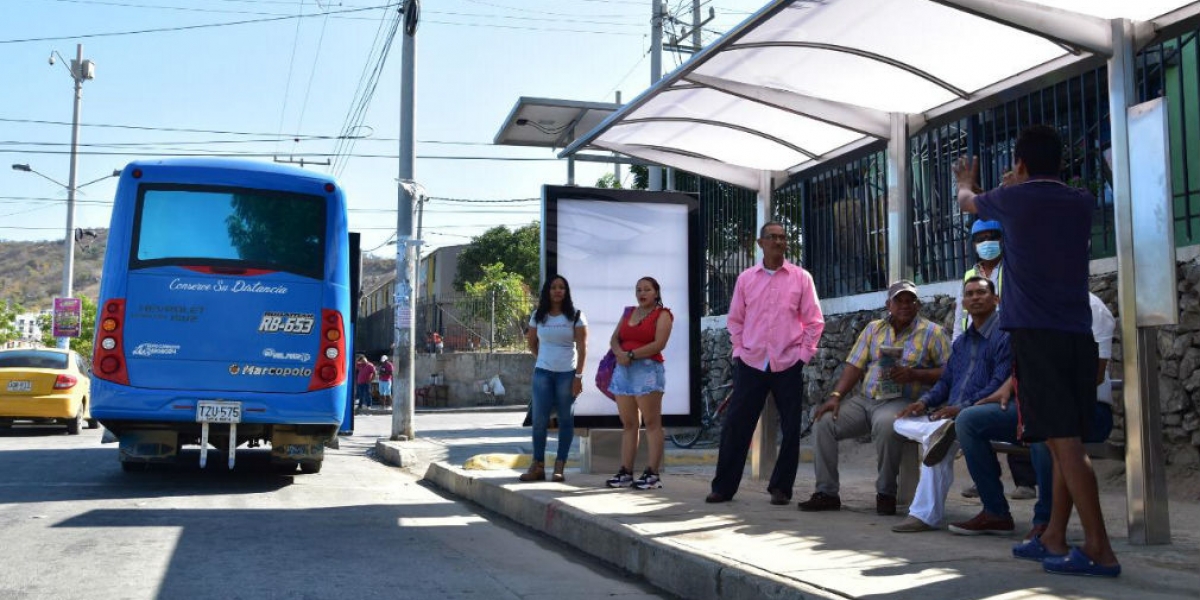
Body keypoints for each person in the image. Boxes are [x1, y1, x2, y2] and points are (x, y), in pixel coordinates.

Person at [954, 124, 1119, 576]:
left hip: (1037, 337)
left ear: (1022, 164)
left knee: (1065, 444)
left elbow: (968, 201)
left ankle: (1099, 548)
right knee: (1059, 437)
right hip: (1075, 336)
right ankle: (1052, 535)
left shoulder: (1013, 199)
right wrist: (1016, 183)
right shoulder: (1081, 201)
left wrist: (966, 180)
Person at [797, 279, 949, 516]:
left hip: (902, 401)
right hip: (866, 400)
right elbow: (854, 366)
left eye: (910, 301)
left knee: (887, 425)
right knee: (824, 422)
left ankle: (886, 492)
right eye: (899, 301)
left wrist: (914, 374)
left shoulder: (933, 333)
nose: (905, 306)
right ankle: (826, 492)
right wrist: (836, 396)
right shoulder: (874, 329)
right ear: (889, 304)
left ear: (918, 305)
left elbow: (950, 373)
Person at [705, 221, 825, 505]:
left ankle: (781, 488)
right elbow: (735, 319)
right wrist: (738, 349)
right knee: (736, 424)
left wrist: (803, 355)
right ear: (760, 243)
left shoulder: (801, 278)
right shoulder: (746, 279)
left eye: (783, 237)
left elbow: (814, 320)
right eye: (772, 237)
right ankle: (723, 487)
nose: (779, 242)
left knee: (792, 426)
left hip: (788, 361)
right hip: (752, 360)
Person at [889, 276, 1011, 533]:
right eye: (970, 294)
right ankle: (942, 431)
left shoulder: (1005, 336)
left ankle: (923, 514)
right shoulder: (962, 343)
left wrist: (962, 407)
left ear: (996, 299)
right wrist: (922, 403)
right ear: (964, 303)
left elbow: (998, 383)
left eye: (981, 292)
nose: (975, 297)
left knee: (940, 438)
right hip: (951, 415)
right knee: (901, 422)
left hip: (983, 411)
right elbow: (945, 382)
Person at [953, 219, 1037, 501]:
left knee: (1010, 405)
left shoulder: (1013, 270)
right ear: (973, 243)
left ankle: (1024, 480)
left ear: (1002, 239)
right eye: (981, 238)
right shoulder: (969, 275)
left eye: (992, 236)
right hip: (977, 350)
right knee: (978, 409)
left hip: (1007, 345)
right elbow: (960, 317)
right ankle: (983, 477)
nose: (987, 242)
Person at [605, 277, 674, 490]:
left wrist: (632, 354)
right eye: (638, 290)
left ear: (656, 293)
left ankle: (652, 474)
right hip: (623, 371)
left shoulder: (663, 315)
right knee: (629, 424)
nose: (642, 293)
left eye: (647, 289)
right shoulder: (628, 312)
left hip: (648, 371)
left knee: (652, 423)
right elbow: (615, 338)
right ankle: (626, 472)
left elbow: (659, 344)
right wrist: (620, 353)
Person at [519, 275, 587, 483]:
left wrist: (578, 377)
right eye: (553, 287)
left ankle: (560, 467)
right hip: (543, 374)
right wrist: (544, 360)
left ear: (566, 292)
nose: (557, 291)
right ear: (547, 291)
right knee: (539, 420)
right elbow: (532, 343)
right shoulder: (538, 316)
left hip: (567, 374)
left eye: (562, 288)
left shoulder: (576, 316)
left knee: (566, 420)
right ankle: (537, 466)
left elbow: (583, 349)